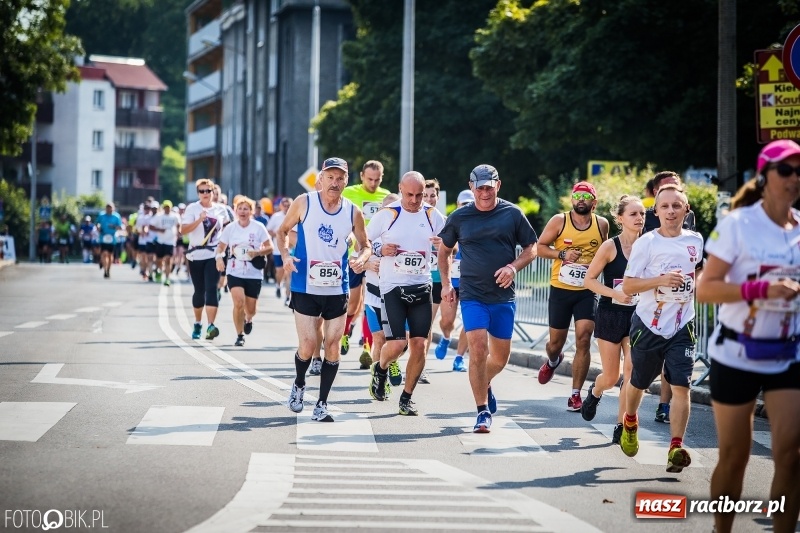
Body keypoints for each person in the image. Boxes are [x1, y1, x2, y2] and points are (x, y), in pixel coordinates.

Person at [696, 139, 800, 533]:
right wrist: (760, 291)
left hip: (788, 354)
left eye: (799, 172)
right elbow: (705, 289)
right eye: (786, 170)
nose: (794, 179)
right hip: (737, 353)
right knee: (735, 456)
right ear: (764, 175)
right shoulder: (739, 225)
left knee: (790, 454)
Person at [438, 164, 538, 432]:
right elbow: (444, 251)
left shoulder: (512, 213)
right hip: (472, 295)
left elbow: (532, 247)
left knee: (500, 358)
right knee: (478, 349)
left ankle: (485, 381)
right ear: (472, 187)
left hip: (502, 296)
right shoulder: (460, 217)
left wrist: (513, 267)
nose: (485, 193)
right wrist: (446, 284)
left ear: (498, 185)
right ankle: (482, 411)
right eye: (480, 187)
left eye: (489, 187)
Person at [278, 157, 371, 422]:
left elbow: (366, 245)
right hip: (305, 286)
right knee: (308, 346)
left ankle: (322, 403)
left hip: (337, 287)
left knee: (332, 345)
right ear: (321, 178)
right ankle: (298, 384)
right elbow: (283, 230)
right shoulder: (304, 202)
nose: (335, 182)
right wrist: (285, 255)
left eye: (340, 178)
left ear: (346, 180)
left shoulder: (352, 211)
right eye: (330, 177)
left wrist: (361, 259)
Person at [619, 184, 704, 473]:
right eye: (665, 206)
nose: (670, 211)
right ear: (656, 211)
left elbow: (697, 274)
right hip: (648, 324)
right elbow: (629, 285)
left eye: (676, 205)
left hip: (682, 324)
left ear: (686, 210)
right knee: (639, 383)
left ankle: (676, 447)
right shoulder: (647, 243)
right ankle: (630, 420)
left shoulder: (695, 240)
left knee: (682, 385)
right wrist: (660, 280)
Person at [367, 172, 446, 415]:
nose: (414, 200)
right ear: (401, 189)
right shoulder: (387, 215)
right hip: (392, 287)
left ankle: (406, 397)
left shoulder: (434, 216)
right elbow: (363, 243)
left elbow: (450, 249)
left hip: (421, 286)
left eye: (419, 195)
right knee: (398, 344)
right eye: (409, 194)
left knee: (420, 344)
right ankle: (380, 368)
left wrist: (443, 247)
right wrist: (380, 249)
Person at [536, 182, 609, 411]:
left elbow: (605, 254)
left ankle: (575, 394)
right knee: (555, 344)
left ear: (593, 203)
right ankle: (553, 360)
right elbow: (539, 247)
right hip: (561, 288)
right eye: (577, 195)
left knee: (584, 338)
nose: (581, 199)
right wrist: (562, 254)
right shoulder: (559, 221)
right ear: (571, 200)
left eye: (586, 196)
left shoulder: (602, 224)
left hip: (587, 290)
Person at [579, 196, 645, 444]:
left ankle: (622, 425)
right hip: (610, 314)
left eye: (642, 214)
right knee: (610, 376)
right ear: (620, 219)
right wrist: (615, 293)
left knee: (631, 373)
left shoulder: (648, 246)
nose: (639, 218)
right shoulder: (610, 247)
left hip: (637, 316)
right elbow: (589, 280)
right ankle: (595, 393)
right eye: (633, 214)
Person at [643, 171, 697, 424]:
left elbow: (695, 259)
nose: (671, 209)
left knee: (674, 362)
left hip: (681, 309)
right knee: (640, 370)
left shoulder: (689, 222)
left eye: (676, 192)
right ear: (655, 195)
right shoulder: (648, 219)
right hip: (646, 302)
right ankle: (629, 407)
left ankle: (664, 405)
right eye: (665, 192)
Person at [340, 160, 391, 356]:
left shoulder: (386, 197)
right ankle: (345, 332)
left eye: (377, 179)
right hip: (356, 252)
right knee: (354, 301)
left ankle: (367, 347)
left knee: (369, 301)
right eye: (369, 179)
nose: (373, 183)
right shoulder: (349, 193)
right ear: (362, 176)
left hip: (376, 253)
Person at [215, 196, 273, 347]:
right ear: (235, 211)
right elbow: (220, 247)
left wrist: (257, 253)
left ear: (251, 211)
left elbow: (270, 247)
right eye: (239, 208)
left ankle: (248, 319)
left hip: (254, 272)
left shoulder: (258, 227)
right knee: (238, 302)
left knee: (251, 309)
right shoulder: (230, 228)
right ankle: (239, 335)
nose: (242, 211)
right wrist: (219, 258)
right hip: (235, 270)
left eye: (246, 209)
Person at [181, 179, 231, 340]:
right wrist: (199, 220)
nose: (205, 194)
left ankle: (211, 325)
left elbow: (228, 230)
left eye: (208, 191)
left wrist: (224, 252)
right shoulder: (192, 208)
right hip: (195, 254)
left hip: (214, 254)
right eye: (202, 191)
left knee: (212, 289)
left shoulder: (220, 209)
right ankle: (197, 323)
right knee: (199, 291)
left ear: (212, 192)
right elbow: (183, 230)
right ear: (198, 193)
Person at [435, 189, 474, 371]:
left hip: (472, 281)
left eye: (469, 203)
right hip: (453, 281)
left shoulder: (481, 223)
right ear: (458, 205)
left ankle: (459, 358)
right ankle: (446, 337)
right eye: (463, 204)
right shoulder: (452, 221)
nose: (466, 207)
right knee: (447, 321)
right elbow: (447, 249)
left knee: (470, 322)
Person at [148, 200, 182, 286]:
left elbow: (178, 226)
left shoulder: (175, 216)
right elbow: (151, 226)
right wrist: (159, 230)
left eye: (168, 207)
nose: (167, 209)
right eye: (165, 207)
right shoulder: (159, 216)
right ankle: (158, 270)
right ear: (163, 208)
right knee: (159, 260)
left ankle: (167, 278)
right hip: (160, 241)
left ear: (170, 207)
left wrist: (178, 233)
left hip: (170, 242)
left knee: (168, 260)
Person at [267, 197, 292, 302]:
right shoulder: (276, 217)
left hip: (292, 249)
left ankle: (287, 297)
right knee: (280, 271)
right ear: (281, 206)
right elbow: (268, 230)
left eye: (288, 205)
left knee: (289, 273)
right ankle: (278, 284)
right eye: (284, 205)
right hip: (278, 249)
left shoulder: (295, 216)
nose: (286, 207)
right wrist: (278, 235)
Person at [96, 203, 123, 279]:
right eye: (107, 208)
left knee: (110, 255)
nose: (109, 209)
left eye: (110, 208)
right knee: (104, 253)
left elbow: (120, 227)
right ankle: (105, 270)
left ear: (113, 208)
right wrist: (98, 227)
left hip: (112, 238)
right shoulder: (101, 215)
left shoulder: (116, 216)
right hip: (103, 237)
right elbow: (97, 223)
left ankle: (108, 269)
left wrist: (114, 226)